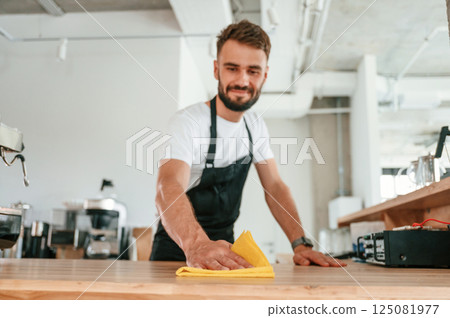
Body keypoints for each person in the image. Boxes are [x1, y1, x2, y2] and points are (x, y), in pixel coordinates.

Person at [150, 20, 346, 269]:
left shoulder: (254, 126)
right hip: (177, 250)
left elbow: (274, 187)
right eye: (232, 68)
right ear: (216, 70)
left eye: (252, 71)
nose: (242, 81)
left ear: (264, 75)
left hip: (226, 251)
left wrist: (301, 244)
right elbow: (168, 186)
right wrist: (197, 245)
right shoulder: (189, 122)